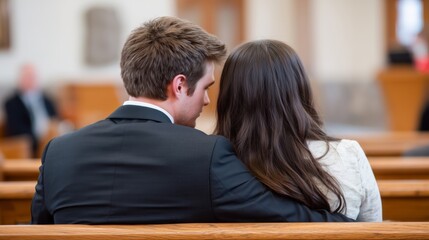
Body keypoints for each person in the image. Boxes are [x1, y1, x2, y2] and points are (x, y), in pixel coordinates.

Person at [31, 16, 353, 224]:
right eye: (206, 88)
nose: (208, 100)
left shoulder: (59, 152)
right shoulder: (207, 156)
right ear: (180, 85)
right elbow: (289, 218)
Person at [215, 40, 382, 222]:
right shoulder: (348, 155)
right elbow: (373, 228)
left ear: (229, 98)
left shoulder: (217, 163)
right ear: (299, 89)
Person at [3, 64, 58, 157]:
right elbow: (15, 128)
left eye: (33, 77)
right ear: (20, 79)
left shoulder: (48, 100)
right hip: (29, 141)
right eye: (27, 77)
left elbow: (55, 118)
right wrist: (38, 136)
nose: (31, 80)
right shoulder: (11, 103)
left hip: (50, 137)